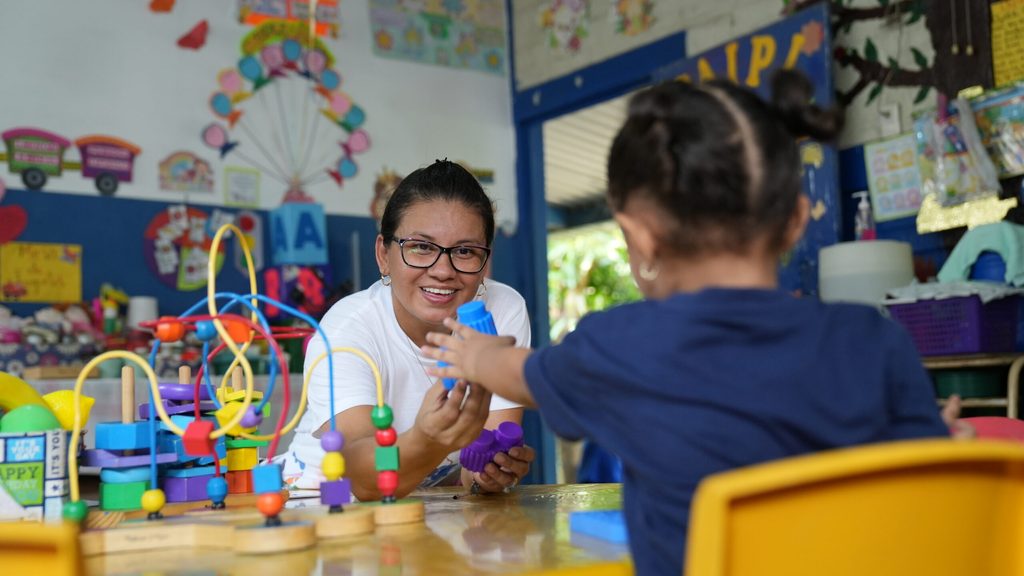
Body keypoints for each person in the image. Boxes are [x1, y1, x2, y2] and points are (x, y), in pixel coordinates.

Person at [422, 72, 956, 575]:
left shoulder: (620, 345)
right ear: (796, 219)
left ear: (641, 236)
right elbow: (931, 486)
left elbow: (522, 373)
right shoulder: (876, 341)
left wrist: (475, 355)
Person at [279, 159, 535, 500]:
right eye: (421, 247)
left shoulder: (504, 310)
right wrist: (429, 439)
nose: (443, 270)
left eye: (464, 251)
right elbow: (364, 479)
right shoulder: (347, 330)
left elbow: (474, 470)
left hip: (421, 506)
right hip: (322, 504)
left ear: (485, 261)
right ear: (384, 255)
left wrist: (488, 472)